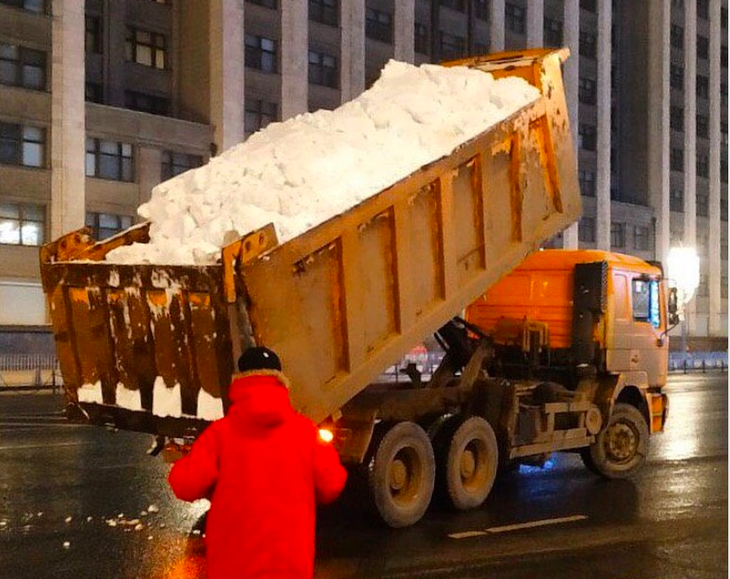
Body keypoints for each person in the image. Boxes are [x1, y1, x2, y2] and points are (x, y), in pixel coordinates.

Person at [167, 346, 347, 579]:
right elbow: (333, 483)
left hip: (232, 567)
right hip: (289, 565)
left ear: (239, 382)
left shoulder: (219, 434)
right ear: (281, 382)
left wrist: (183, 465)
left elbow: (185, 485)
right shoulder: (305, 432)